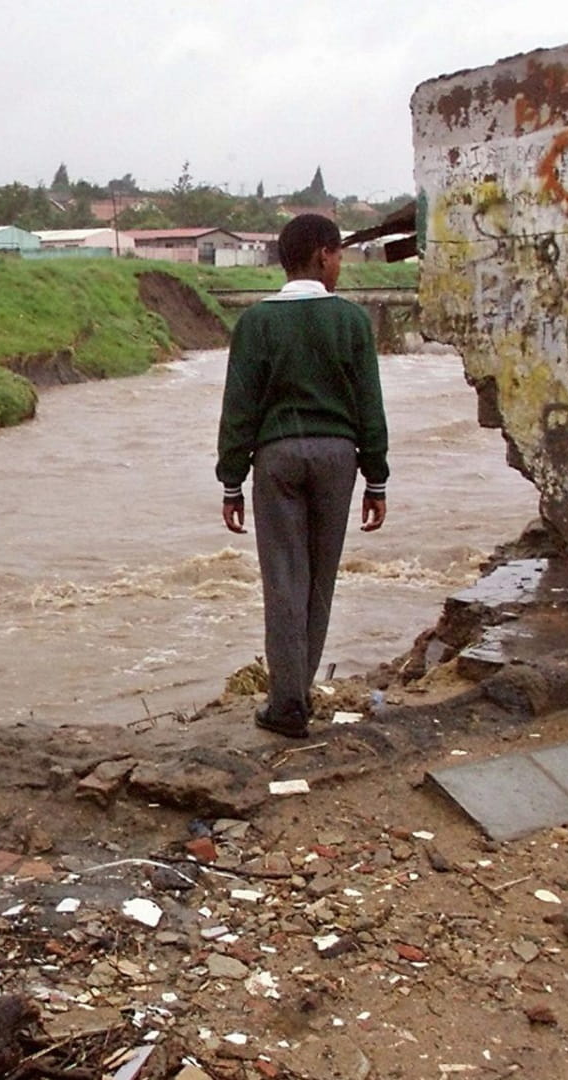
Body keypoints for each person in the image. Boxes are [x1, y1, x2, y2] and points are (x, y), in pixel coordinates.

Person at [215, 213, 389, 739]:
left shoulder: (256, 323)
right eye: (338, 256)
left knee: (283, 580)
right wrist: (376, 477)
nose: (341, 266)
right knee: (319, 580)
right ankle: (300, 692)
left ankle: (287, 703)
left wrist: (231, 481)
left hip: (277, 458)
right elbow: (370, 405)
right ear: (322, 255)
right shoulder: (352, 321)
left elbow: (238, 408)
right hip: (338, 457)